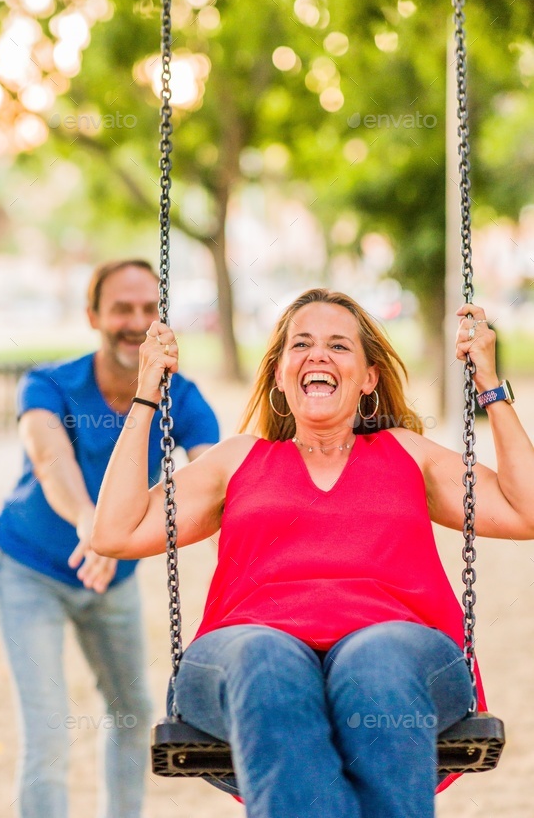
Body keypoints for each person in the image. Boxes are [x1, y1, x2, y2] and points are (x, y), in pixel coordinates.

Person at [91, 288, 534, 818]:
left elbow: (524, 511)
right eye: (301, 343)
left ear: (369, 377)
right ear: (280, 374)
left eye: (339, 346)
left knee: (377, 659)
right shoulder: (237, 460)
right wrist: (147, 397)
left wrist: (489, 386)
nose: (318, 355)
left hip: (402, 652)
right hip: (246, 653)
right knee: (268, 660)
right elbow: (115, 531)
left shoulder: (407, 454)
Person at [0, 259, 219, 818]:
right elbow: (50, 460)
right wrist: (91, 525)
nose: (135, 322)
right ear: (93, 315)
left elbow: (214, 479)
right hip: (29, 569)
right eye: (121, 308)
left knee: (131, 712)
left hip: (111, 577)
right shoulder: (49, 384)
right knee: (47, 727)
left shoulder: (181, 397)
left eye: (148, 309)